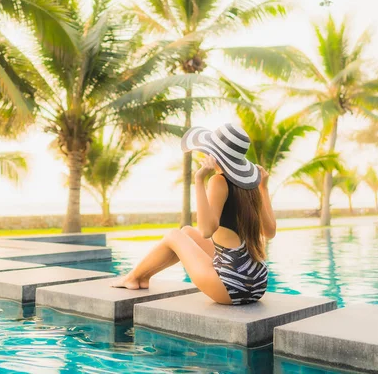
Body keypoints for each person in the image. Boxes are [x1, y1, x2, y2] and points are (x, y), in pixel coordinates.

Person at [111, 123, 276, 305]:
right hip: (258, 284)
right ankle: (141, 278)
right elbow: (269, 232)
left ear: (215, 155)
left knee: (174, 235)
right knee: (188, 232)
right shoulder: (251, 187)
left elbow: (206, 230)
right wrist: (263, 188)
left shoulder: (218, 181)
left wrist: (199, 179)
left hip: (232, 287)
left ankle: (132, 277)